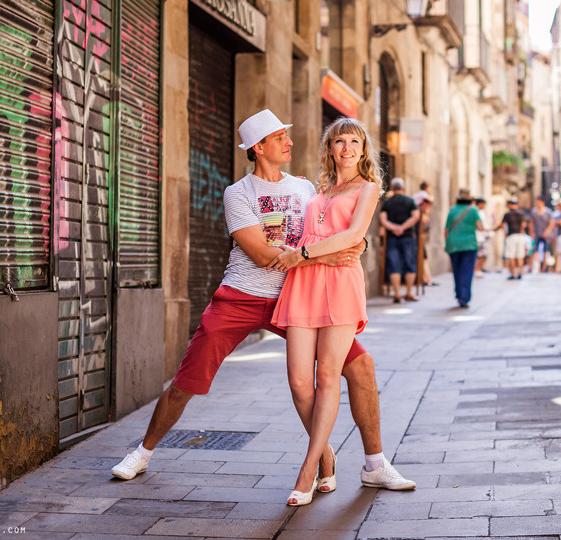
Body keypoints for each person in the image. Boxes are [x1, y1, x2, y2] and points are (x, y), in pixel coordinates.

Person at [110, 110, 414, 497]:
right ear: (259, 147)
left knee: (361, 367)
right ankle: (142, 452)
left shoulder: (305, 188)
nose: (289, 142)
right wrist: (324, 255)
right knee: (189, 378)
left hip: (296, 296)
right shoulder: (238, 193)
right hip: (241, 295)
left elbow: (338, 232)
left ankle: (375, 464)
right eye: (280, 137)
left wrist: (358, 245)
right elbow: (260, 253)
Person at [267, 117, 399, 506]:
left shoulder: (369, 188)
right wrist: (302, 255)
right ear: (329, 148)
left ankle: (308, 471)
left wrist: (301, 255)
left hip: (340, 282)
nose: (346, 148)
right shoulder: (317, 188)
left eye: (354, 141)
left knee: (328, 375)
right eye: (339, 141)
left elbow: (352, 236)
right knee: (298, 382)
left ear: (363, 149)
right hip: (304, 284)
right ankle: (326, 455)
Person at [379, 177, 420, 303]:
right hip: (407, 236)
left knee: (394, 264)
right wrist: (402, 227)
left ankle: (396, 294)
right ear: (403, 188)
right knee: (410, 264)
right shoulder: (410, 201)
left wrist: (394, 228)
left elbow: (383, 220)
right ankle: (408, 293)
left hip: (392, 237)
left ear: (392, 188)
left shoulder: (387, 203)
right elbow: (415, 217)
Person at [444, 188, 484, 307]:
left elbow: (446, 230)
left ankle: (459, 294)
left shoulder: (452, 210)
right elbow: (480, 227)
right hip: (469, 245)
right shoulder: (473, 210)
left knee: (456, 270)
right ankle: (464, 298)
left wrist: (446, 243)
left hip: (453, 244)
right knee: (466, 271)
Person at [412, 183, 437, 287]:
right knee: (422, 256)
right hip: (418, 233)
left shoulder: (415, 196)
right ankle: (426, 279)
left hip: (417, 231)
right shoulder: (424, 196)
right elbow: (430, 200)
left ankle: (425, 278)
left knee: (422, 257)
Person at [501, 198, 528, 280]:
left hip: (511, 236)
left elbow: (503, 225)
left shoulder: (507, 214)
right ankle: (520, 273)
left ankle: (513, 274)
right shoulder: (521, 213)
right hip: (520, 236)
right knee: (520, 256)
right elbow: (524, 224)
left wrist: (504, 233)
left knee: (511, 256)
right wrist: (522, 232)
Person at [529, 196, 555, 273]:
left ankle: (544, 267)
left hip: (546, 234)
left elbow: (551, 223)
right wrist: (531, 232)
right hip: (537, 233)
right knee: (535, 250)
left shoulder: (548, 211)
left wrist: (547, 231)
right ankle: (534, 266)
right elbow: (531, 223)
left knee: (545, 250)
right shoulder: (534, 211)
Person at [474, 197, 491, 276]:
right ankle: (476, 270)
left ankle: (478, 269)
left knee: (482, 254)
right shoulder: (477, 212)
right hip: (479, 237)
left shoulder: (480, 212)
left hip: (481, 237)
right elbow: (481, 226)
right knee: (481, 254)